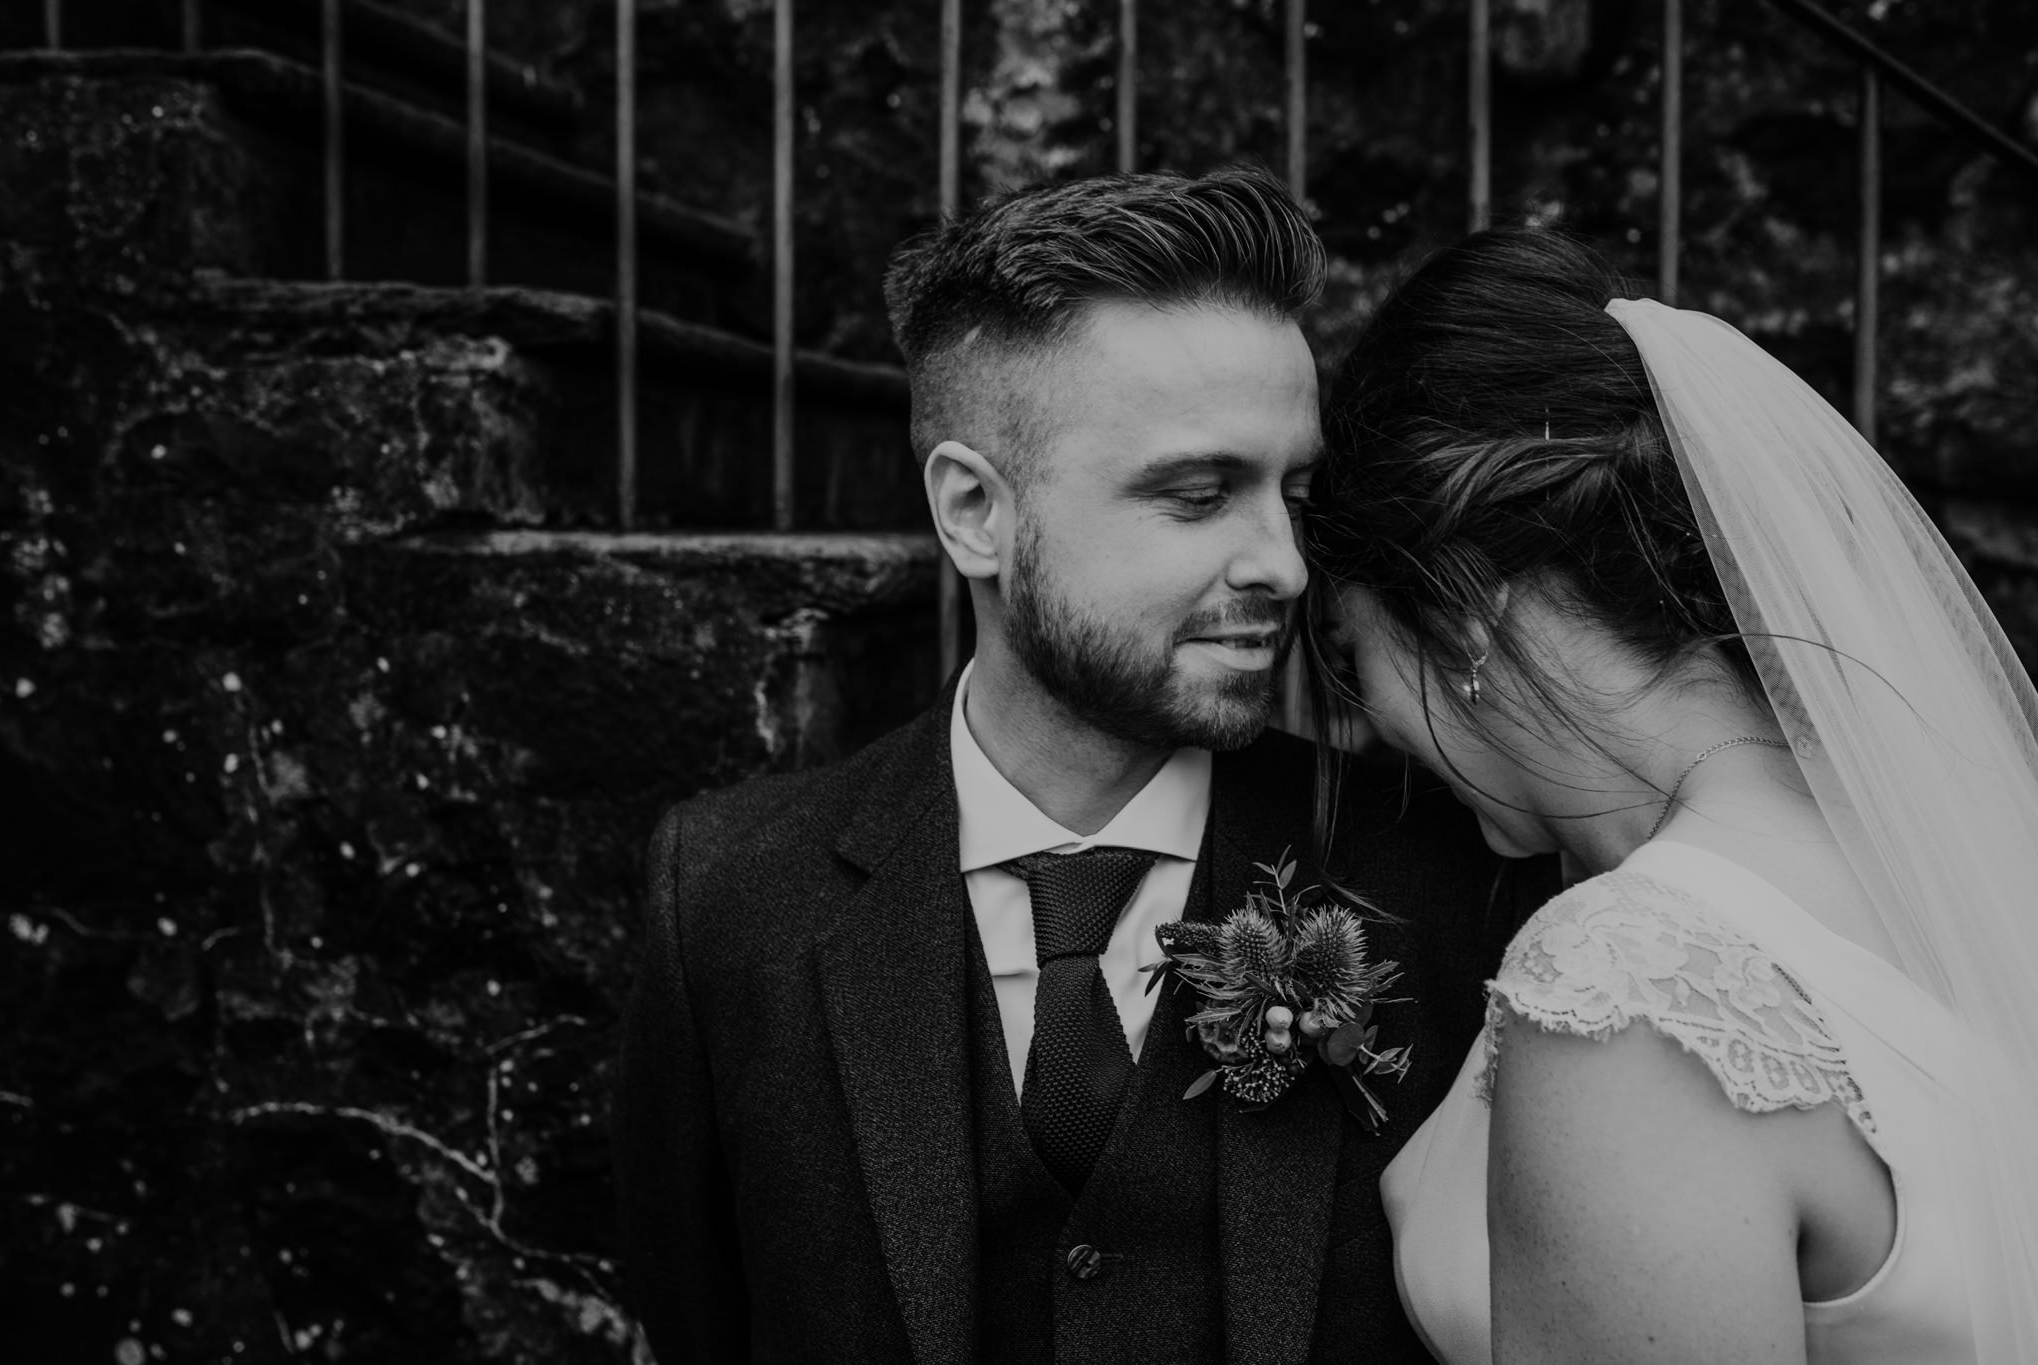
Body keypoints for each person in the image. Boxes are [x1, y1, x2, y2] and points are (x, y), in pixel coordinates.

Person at [614, 165, 1550, 1364]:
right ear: (973, 512)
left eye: (1293, 494)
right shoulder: (729, 900)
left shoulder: (1439, 875)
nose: (1283, 564)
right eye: (1198, 493)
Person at [1301, 226, 2038, 1363]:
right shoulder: (1947, 864)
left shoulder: (1633, 989)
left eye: (1357, 660)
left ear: (1462, 624)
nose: (1373, 729)